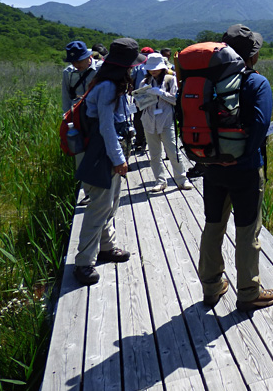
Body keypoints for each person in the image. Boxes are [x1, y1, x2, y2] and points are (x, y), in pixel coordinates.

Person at [198, 24, 273, 311]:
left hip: (213, 166)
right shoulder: (257, 83)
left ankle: (211, 287)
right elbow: (259, 127)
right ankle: (248, 292)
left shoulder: (208, 81)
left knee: (213, 225)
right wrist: (244, 158)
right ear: (253, 56)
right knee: (247, 231)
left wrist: (214, 157)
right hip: (244, 170)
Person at [72, 38, 145, 286]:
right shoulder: (107, 88)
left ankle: (106, 247)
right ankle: (83, 263)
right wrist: (118, 159)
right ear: (123, 65)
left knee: (110, 202)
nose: (134, 68)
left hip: (108, 150)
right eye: (132, 65)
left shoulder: (113, 84)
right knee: (99, 206)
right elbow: (106, 127)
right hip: (102, 151)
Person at [137, 53, 192, 192]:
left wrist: (160, 93)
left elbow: (175, 100)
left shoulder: (170, 79)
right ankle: (160, 181)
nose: (153, 71)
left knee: (173, 151)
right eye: (151, 68)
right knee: (154, 153)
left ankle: (182, 179)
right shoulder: (144, 82)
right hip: (149, 120)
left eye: (155, 68)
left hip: (166, 119)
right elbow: (140, 103)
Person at [62, 41, 102, 206]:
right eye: (73, 61)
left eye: (79, 60)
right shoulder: (68, 73)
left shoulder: (101, 69)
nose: (76, 64)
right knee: (80, 155)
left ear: (89, 57)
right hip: (77, 119)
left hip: (98, 117)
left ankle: (103, 190)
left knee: (100, 154)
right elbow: (66, 96)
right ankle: (88, 192)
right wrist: (66, 119)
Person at [130, 47, 155, 154]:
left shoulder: (137, 66)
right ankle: (152, 141)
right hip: (154, 94)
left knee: (138, 118)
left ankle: (140, 141)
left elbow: (131, 78)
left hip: (140, 95)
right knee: (153, 117)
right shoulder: (156, 65)